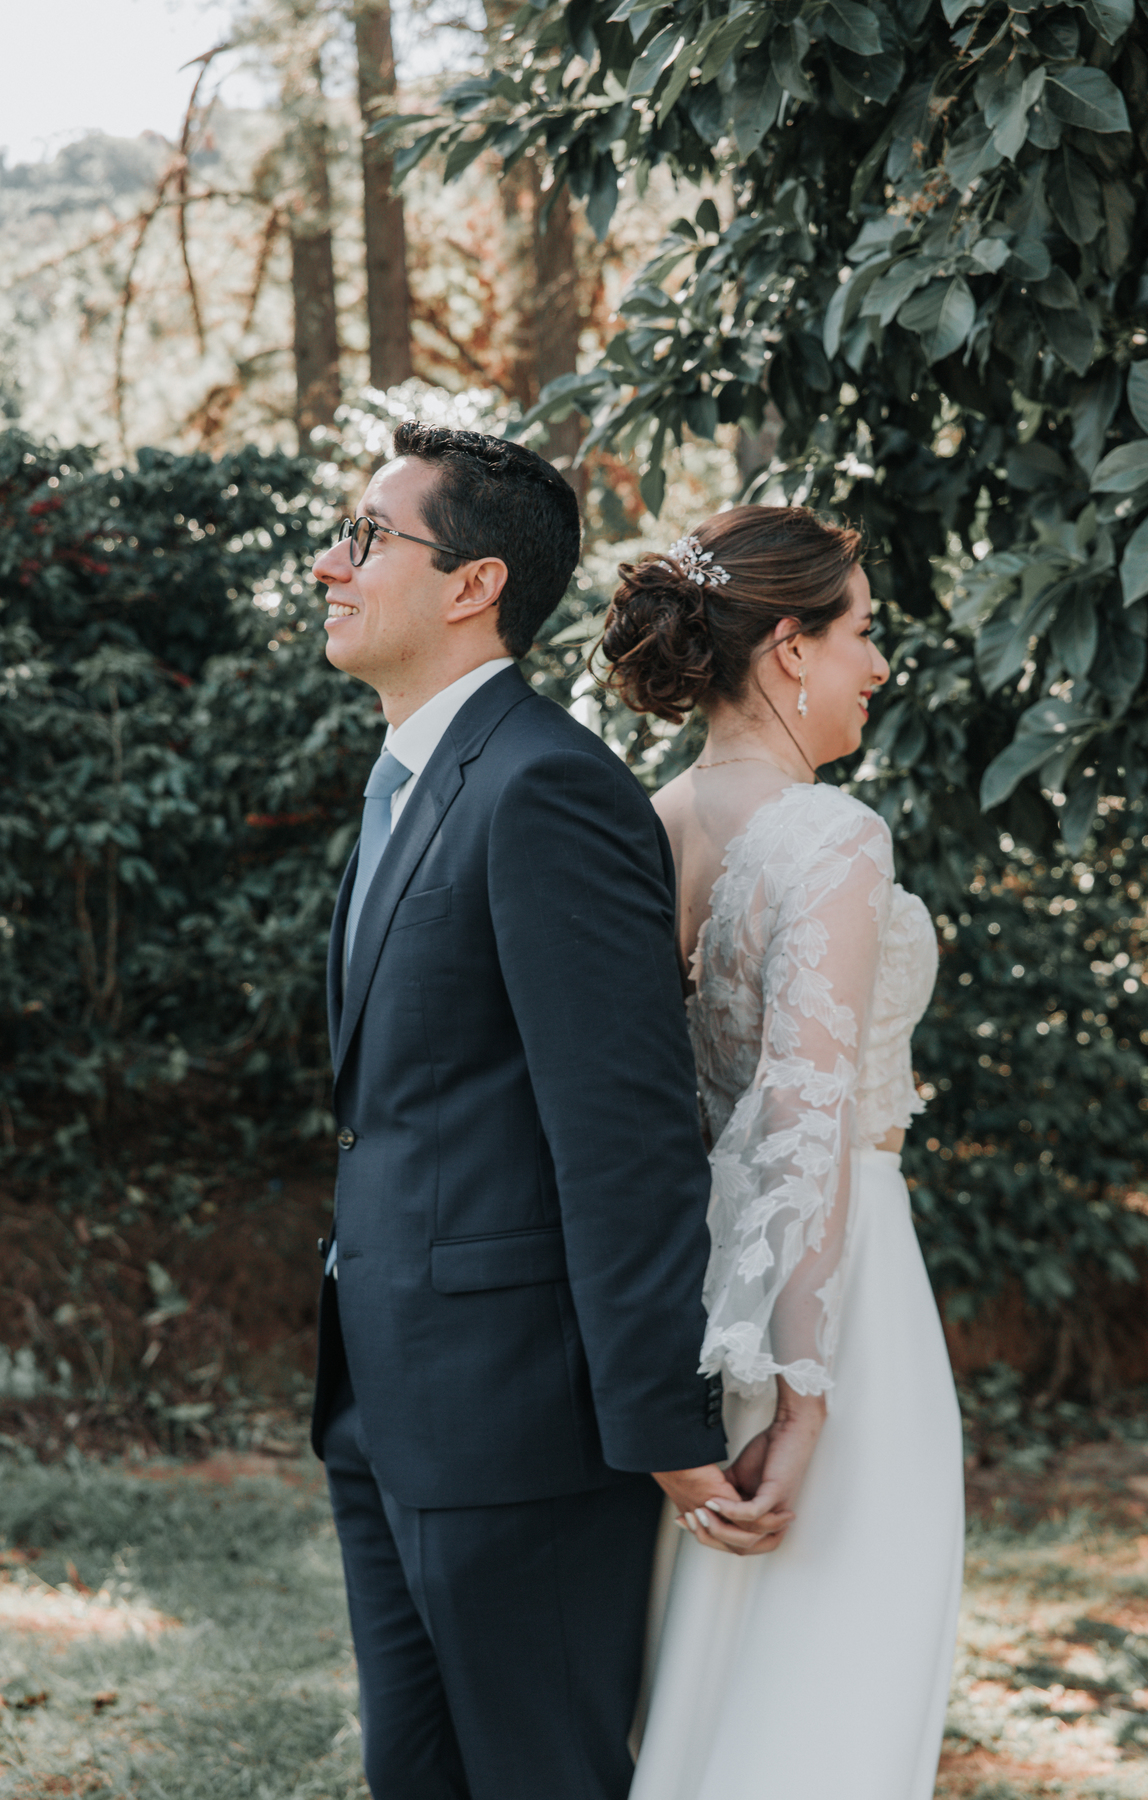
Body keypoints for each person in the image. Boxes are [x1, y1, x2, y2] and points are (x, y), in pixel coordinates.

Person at [307, 427, 787, 1800]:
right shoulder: (404, 783)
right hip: (382, 1397)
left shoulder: (547, 789)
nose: (333, 564)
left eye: (368, 536)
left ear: (474, 583)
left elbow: (625, 1131)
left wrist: (666, 1421)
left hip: (520, 1423)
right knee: (419, 1776)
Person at [595, 508, 964, 1800]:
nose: (878, 666)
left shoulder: (643, 826)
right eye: (863, 634)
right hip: (834, 1304)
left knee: (714, 1675)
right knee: (837, 1690)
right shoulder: (830, 838)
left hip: (694, 1303)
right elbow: (806, 1120)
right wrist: (809, 1402)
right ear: (790, 647)